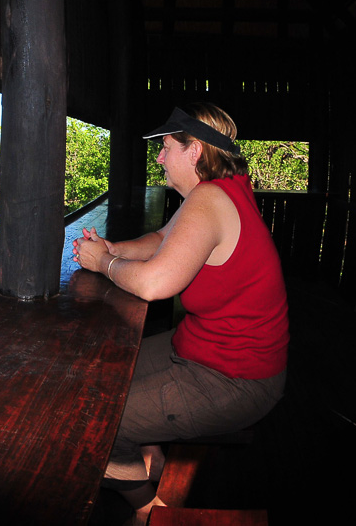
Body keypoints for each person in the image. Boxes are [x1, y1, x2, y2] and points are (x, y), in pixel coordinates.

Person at [73, 103, 289, 522]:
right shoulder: (221, 191)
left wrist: (104, 265)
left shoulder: (210, 198)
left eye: (166, 147)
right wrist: (113, 250)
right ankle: (150, 454)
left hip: (236, 377)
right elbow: (160, 239)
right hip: (204, 349)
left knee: (95, 419)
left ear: (195, 152)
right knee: (106, 371)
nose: (159, 158)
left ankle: (149, 508)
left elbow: (155, 285)